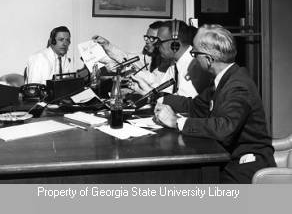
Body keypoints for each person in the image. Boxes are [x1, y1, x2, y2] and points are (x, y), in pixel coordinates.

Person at [154, 24, 276, 183]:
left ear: (208, 59)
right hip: (228, 156)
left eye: (194, 53)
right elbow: (195, 106)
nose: (193, 58)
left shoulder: (238, 85)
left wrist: (176, 122)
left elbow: (224, 128)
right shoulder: (222, 79)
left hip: (246, 165)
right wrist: (159, 98)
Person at [131, 20, 211, 98]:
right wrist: (140, 88)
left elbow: (184, 104)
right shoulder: (175, 64)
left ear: (175, 44)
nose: (156, 46)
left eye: (159, 42)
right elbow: (164, 89)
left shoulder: (194, 65)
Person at [92, 21, 172, 93]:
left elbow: (155, 80)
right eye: (146, 37)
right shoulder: (149, 56)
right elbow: (127, 58)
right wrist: (107, 45)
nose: (147, 41)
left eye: (152, 38)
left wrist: (126, 69)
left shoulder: (168, 60)